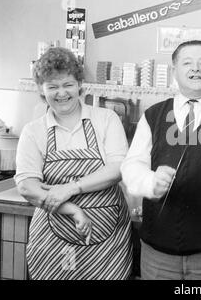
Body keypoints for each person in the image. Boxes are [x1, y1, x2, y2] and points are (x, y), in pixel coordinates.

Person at [121, 40, 201, 280]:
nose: (195, 69)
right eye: (187, 63)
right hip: (158, 253)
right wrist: (150, 181)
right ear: (174, 71)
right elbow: (132, 165)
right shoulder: (153, 114)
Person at [15, 47, 132, 280]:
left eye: (67, 84)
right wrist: (72, 209)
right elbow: (27, 186)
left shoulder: (106, 119)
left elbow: (117, 169)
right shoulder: (34, 131)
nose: (61, 93)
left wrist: (70, 188)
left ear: (80, 84)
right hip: (52, 238)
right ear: (41, 90)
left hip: (107, 245)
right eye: (52, 86)